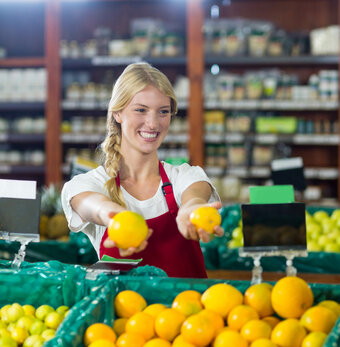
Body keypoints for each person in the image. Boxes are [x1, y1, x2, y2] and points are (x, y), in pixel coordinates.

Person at [61, 62, 223, 278]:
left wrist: (190, 210)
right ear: (117, 113)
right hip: (125, 311)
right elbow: (95, 206)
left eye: (163, 112)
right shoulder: (88, 184)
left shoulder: (184, 176)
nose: (153, 123)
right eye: (140, 110)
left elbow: (194, 196)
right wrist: (117, 218)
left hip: (185, 310)